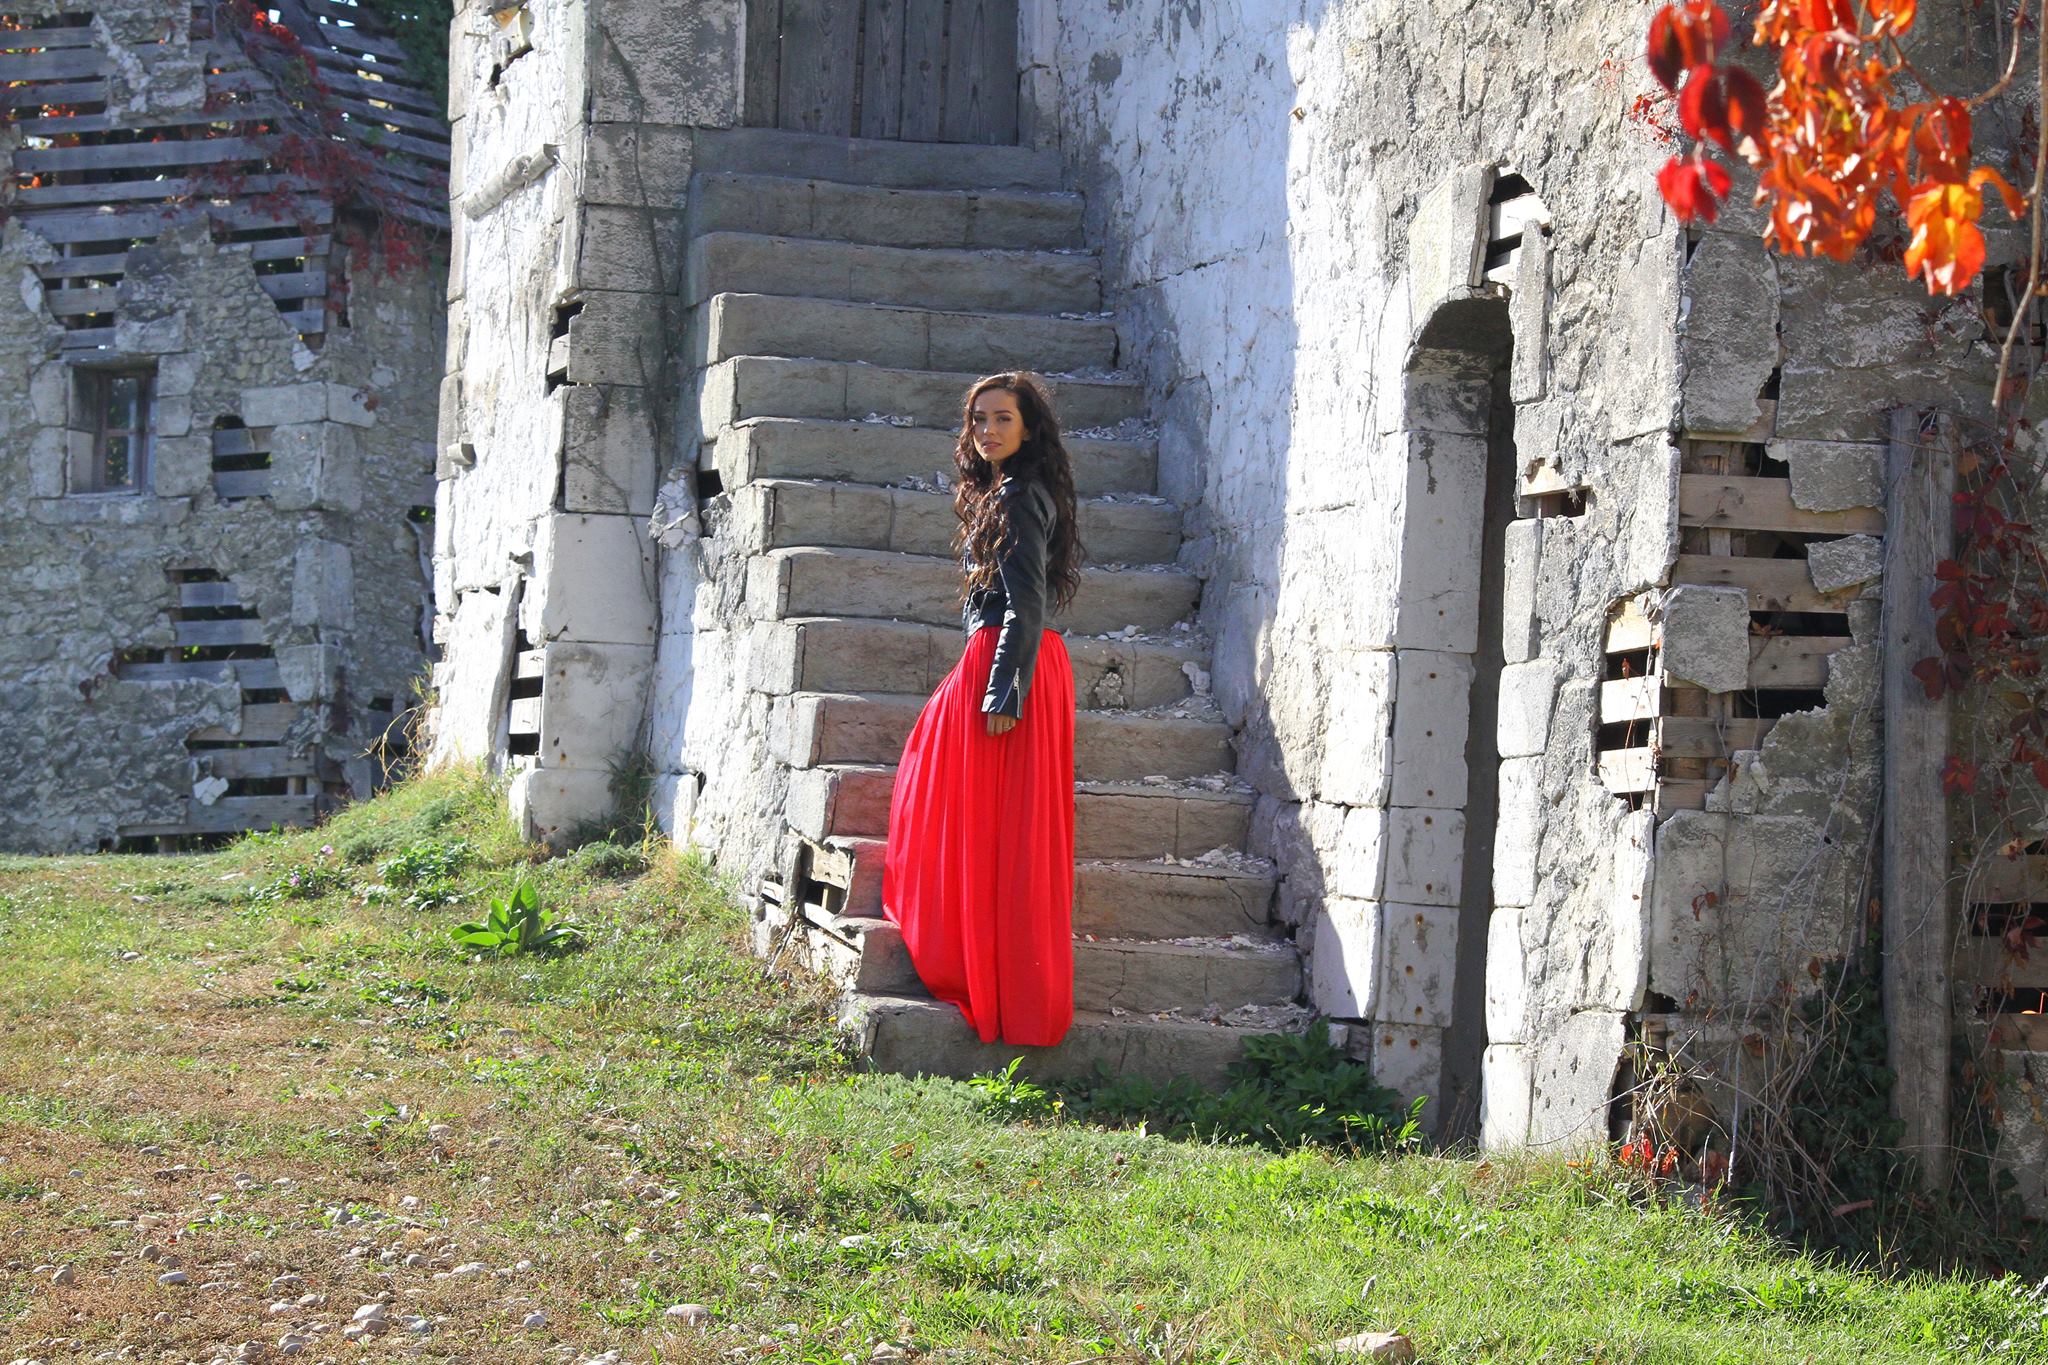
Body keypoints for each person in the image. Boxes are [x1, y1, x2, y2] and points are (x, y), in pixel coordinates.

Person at [882, 372, 1083, 1047]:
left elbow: (1028, 603)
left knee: (978, 813)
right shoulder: (1007, 491)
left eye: (1003, 418)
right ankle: (992, 972)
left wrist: (1003, 691)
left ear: (1028, 428)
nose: (988, 431)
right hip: (1011, 660)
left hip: (1009, 663)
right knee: (990, 820)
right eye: (979, 419)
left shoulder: (1021, 495)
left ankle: (992, 977)